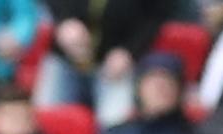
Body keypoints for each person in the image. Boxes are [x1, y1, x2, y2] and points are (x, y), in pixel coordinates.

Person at [33, 0, 165, 123]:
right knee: (46, 119)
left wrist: (130, 51)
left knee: (114, 126)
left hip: (116, 62)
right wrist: (64, 20)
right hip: (65, 56)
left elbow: (155, 16)